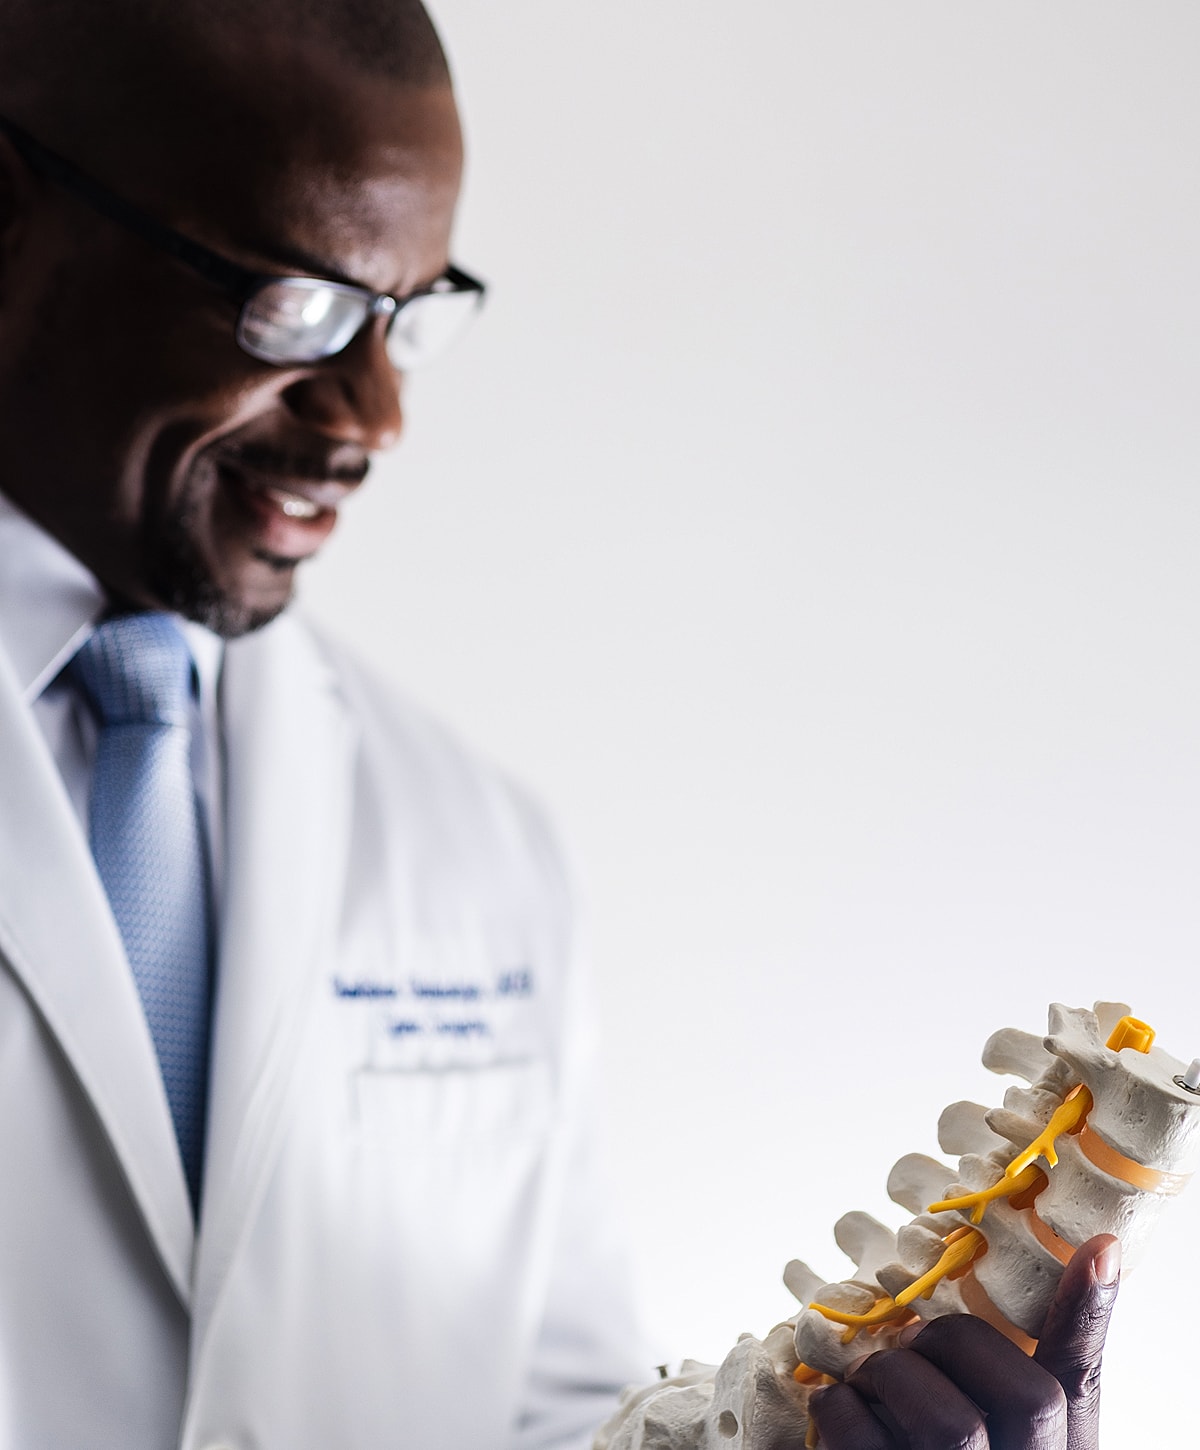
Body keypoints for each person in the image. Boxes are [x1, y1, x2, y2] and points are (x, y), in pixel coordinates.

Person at [0, 1, 1120, 1447]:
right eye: (296, 304)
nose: (374, 413)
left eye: (406, 315)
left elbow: (548, 1409)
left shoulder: (469, 838)